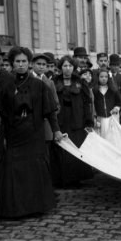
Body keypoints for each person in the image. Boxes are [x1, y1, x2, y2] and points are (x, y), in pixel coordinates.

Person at [0, 47, 63, 218]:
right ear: (12, 64)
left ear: (29, 64)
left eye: (24, 61)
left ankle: (35, 206)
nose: (21, 65)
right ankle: (16, 208)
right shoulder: (7, 86)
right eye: (17, 61)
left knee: (34, 168)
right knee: (14, 168)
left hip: (34, 131)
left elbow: (50, 111)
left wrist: (56, 131)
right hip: (14, 134)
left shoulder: (39, 85)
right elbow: (2, 112)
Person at [52, 55, 94, 188]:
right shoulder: (54, 82)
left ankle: (76, 178)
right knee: (61, 149)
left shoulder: (80, 82)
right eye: (65, 66)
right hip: (61, 119)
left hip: (77, 119)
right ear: (60, 68)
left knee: (76, 147)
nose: (67, 68)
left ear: (74, 67)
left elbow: (87, 102)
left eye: (70, 66)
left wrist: (88, 121)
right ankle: (61, 179)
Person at [93, 69, 121, 139]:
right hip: (100, 118)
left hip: (112, 117)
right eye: (101, 77)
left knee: (113, 137)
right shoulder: (94, 90)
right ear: (98, 78)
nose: (104, 78)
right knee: (103, 137)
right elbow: (93, 105)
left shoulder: (113, 89)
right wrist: (95, 117)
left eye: (106, 77)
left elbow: (119, 101)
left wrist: (116, 108)